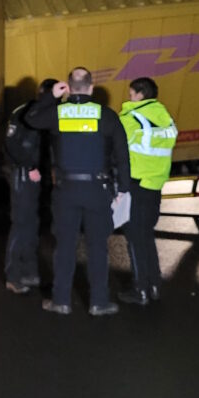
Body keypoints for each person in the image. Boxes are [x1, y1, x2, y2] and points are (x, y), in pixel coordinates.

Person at [25, 67, 131, 316]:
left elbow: (30, 118)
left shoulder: (57, 113)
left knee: (65, 246)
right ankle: (99, 302)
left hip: (66, 190)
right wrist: (123, 189)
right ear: (91, 88)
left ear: (69, 88)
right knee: (97, 247)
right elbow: (122, 156)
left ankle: (61, 301)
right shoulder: (106, 116)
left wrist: (50, 95)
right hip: (98, 189)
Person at [117, 76, 177, 305]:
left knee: (134, 238)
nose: (129, 97)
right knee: (146, 236)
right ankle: (154, 285)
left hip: (137, 184)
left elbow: (113, 144)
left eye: (132, 93)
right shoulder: (165, 118)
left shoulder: (131, 118)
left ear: (140, 94)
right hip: (155, 184)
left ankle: (140, 290)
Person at [3, 79, 55, 294]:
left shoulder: (50, 112)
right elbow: (12, 143)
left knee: (33, 225)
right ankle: (13, 276)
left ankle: (30, 271)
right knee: (21, 224)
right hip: (25, 174)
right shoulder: (25, 112)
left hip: (40, 175)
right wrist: (29, 166)